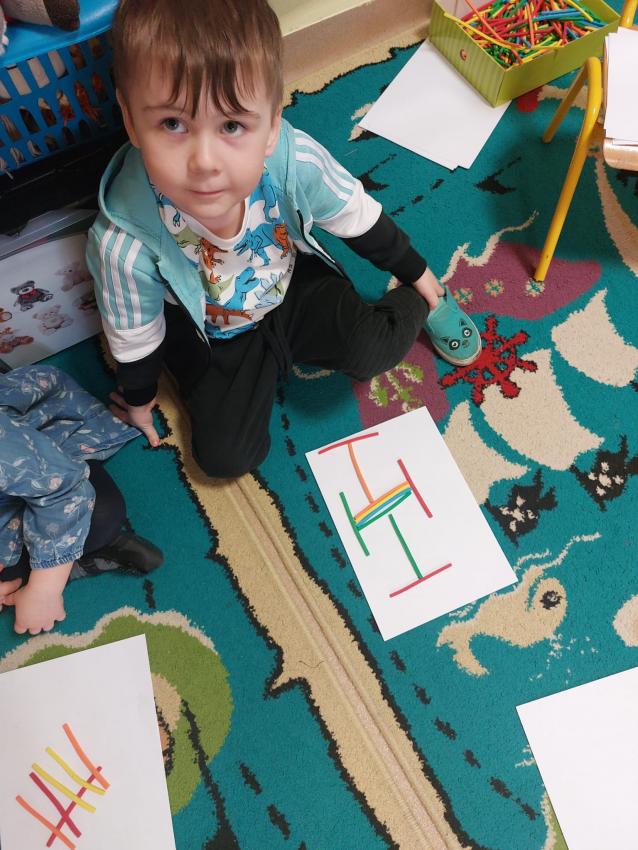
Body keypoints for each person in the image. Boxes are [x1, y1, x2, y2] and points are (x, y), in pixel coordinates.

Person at [87, 0, 482, 478]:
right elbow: (134, 335)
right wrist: (139, 398)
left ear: (272, 126)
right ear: (131, 121)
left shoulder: (292, 158)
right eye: (173, 124)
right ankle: (264, 362)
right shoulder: (122, 243)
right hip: (215, 335)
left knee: (372, 350)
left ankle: (425, 299)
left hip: (292, 285)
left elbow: (356, 216)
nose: (204, 162)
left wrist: (418, 275)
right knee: (224, 459)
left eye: (232, 125)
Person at [0, 365, 163, 636]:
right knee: (14, 572)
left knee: (101, 513)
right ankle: (69, 560)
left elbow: (65, 489)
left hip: (40, 447)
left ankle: (65, 562)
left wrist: (44, 590)